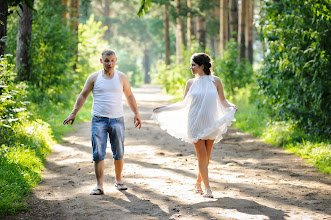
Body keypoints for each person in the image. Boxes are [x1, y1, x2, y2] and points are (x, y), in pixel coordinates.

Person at [152, 53, 237, 198]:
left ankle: (198, 182)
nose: (190, 67)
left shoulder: (215, 81)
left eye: (193, 65)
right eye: (191, 65)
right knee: (201, 155)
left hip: (211, 122)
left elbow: (223, 101)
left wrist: (231, 106)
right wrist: (164, 108)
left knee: (207, 157)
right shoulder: (190, 83)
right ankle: (208, 188)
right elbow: (183, 103)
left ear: (202, 66)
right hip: (194, 123)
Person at [63, 49, 142, 195]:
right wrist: (73, 113)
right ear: (101, 61)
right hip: (98, 120)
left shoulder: (122, 78)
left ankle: (118, 180)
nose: (109, 63)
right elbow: (83, 95)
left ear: (116, 60)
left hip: (117, 120)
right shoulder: (94, 78)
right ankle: (99, 185)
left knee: (118, 152)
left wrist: (136, 114)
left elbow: (129, 96)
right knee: (98, 152)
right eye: (106, 60)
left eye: (112, 60)